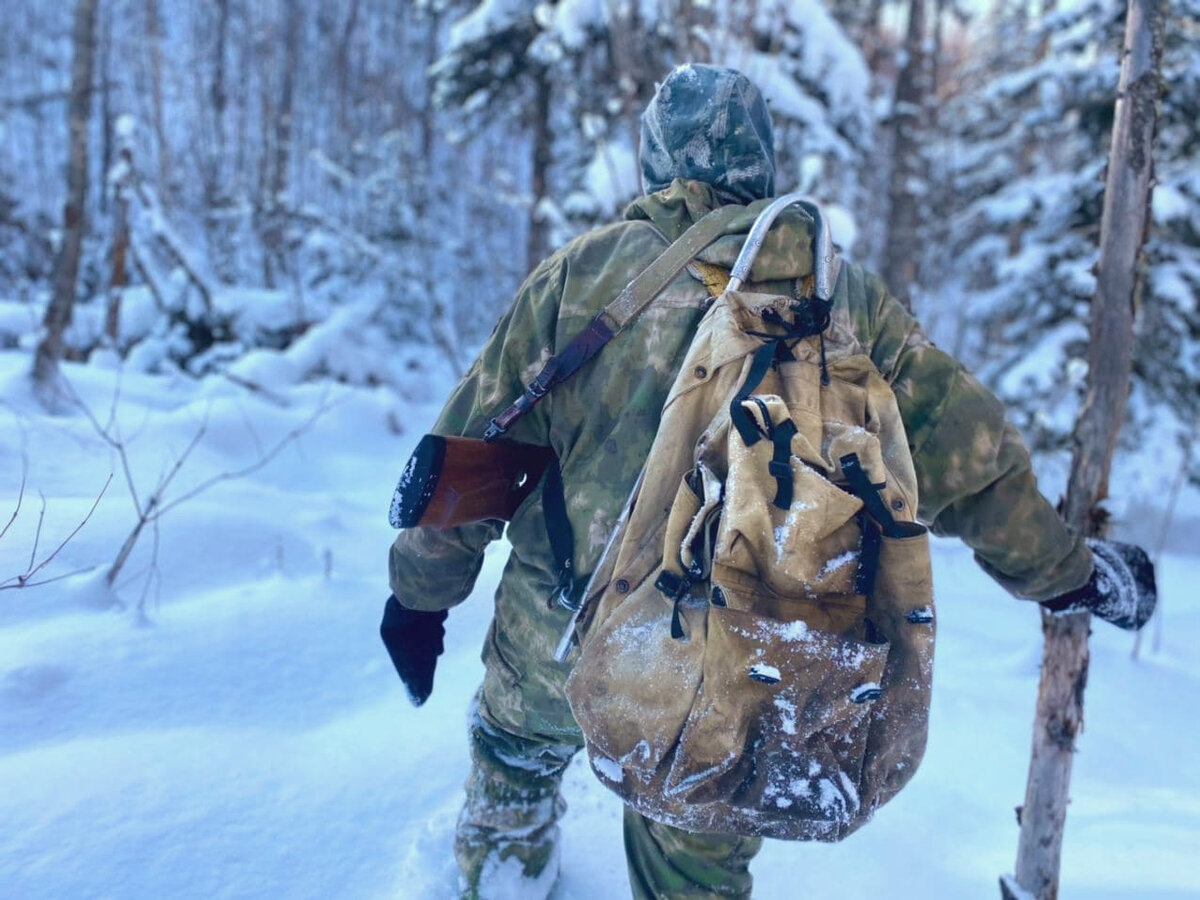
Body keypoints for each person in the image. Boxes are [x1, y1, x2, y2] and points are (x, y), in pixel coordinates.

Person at [382, 64, 1156, 900]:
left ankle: (502, 878)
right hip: (727, 665)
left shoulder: (585, 275)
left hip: (556, 631)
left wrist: (420, 599)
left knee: (514, 769)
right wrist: (1067, 573)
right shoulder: (842, 299)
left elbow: (473, 446)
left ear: (654, 160)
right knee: (697, 856)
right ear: (763, 164)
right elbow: (970, 461)